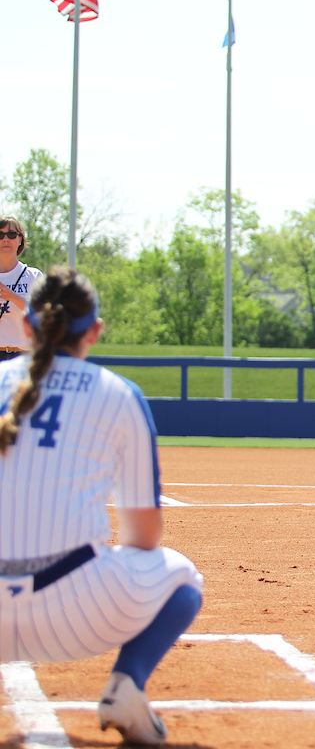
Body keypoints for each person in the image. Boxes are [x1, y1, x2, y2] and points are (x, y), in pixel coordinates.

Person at [0, 267, 203, 746]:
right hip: (75, 618)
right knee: (184, 577)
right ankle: (126, 686)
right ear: (95, 330)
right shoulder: (119, 393)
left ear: (26, 327)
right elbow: (143, 538)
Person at [0, 217, 43, 360]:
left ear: (20, 240)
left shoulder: (33, 276)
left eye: (11, 235)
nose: (5, 239)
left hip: (24, 356)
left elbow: (44, 314)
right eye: (0, 235)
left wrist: (13, 297)